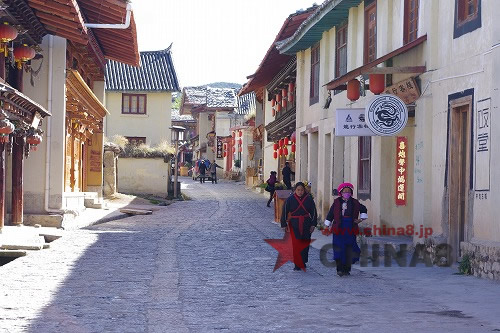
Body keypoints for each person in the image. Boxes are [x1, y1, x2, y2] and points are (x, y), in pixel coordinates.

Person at [324, 182, 363, 276]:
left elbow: (364, 209)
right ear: (341, 192)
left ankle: (347, 269)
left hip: (350, 228)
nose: (347, 193)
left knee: (349, 248)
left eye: (349, 191)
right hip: (338, 228)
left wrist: (360, 219)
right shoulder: (336, 202)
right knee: (338, 248)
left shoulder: (355, 202)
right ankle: (339, 269)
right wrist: (327, 225)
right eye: (345, 191)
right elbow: (331, 214)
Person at [280, 182, 318, 271]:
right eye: (298, 190)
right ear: (295, 190)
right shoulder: (290, 200)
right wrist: (283, 224)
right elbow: (284, 211)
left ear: (304, 190)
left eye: (302, 190)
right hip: (294, 224)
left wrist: (313, 224)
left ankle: (303, 261)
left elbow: (313, 212)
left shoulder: (309, 199)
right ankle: (297, 263)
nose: (300, 192)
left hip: (306, 224)